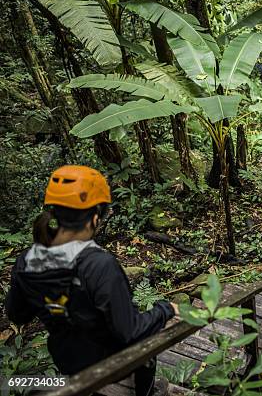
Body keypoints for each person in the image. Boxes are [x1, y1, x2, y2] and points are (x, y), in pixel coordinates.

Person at [5, 165, 178, 396]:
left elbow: (18, 314)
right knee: (150, 338)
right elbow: (129, 332)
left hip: (66, 358)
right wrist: (165, 309)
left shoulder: (26, 260)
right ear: (95, 217)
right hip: (107, 365)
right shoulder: (99, 265)